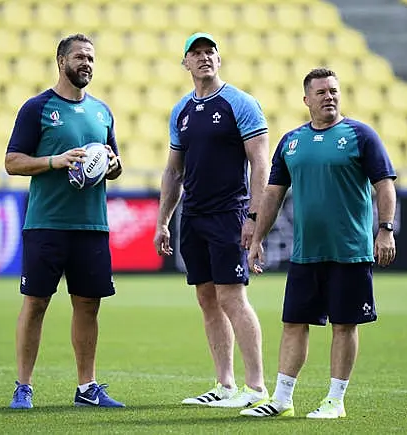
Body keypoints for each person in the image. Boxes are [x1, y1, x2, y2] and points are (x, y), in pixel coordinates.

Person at [240, 68, 397, 419]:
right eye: (322, 92)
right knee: (294, 322)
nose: (329, 96)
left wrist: (385, 229)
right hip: (305, 253)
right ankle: (281, 400)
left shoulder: (361, 135)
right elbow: (273, 194)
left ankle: (335, 400)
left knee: (344, 324)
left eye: (334, 90)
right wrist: (257, 239)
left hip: (350, 251)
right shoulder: (292, 141)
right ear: (306, 99)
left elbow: (384, 184)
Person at [4, 33, 124, 410]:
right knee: (36, 302)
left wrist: (115, 166)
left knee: (88, 305)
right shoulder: (37, 108)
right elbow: (12, 161)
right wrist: (54, 161)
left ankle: (86, 388)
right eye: (79, 57)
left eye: (91, 57)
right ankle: (23, 386)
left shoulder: (102, 112)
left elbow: (112, 164)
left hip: (91, 225)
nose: (86, 62)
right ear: (61, 61)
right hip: (47, 224)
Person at [153, 32, 271, 408]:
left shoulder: (241, 103)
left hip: (229, 213)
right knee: (207, 299)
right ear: (184, 62)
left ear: (219, 60)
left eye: (210, 52)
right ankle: (224, 385)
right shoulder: (181, 111)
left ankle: (256, 388)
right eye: (196, 53)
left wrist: (254, 217)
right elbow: (174, 172)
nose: (204, 58)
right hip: (195, 214)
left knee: (232, 297)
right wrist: (163, 220)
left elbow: (260, 163)